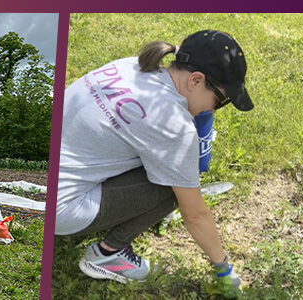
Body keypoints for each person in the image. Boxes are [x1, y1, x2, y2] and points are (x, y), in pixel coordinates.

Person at [56, 30, 250, 298]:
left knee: (172, 167)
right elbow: (195, 214)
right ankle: (108, 254)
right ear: (195, 80)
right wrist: (224, 269)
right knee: (178, 183)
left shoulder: (132, 66)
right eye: (221, 100)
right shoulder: (174, 125)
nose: (214, 109)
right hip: (61, 209)